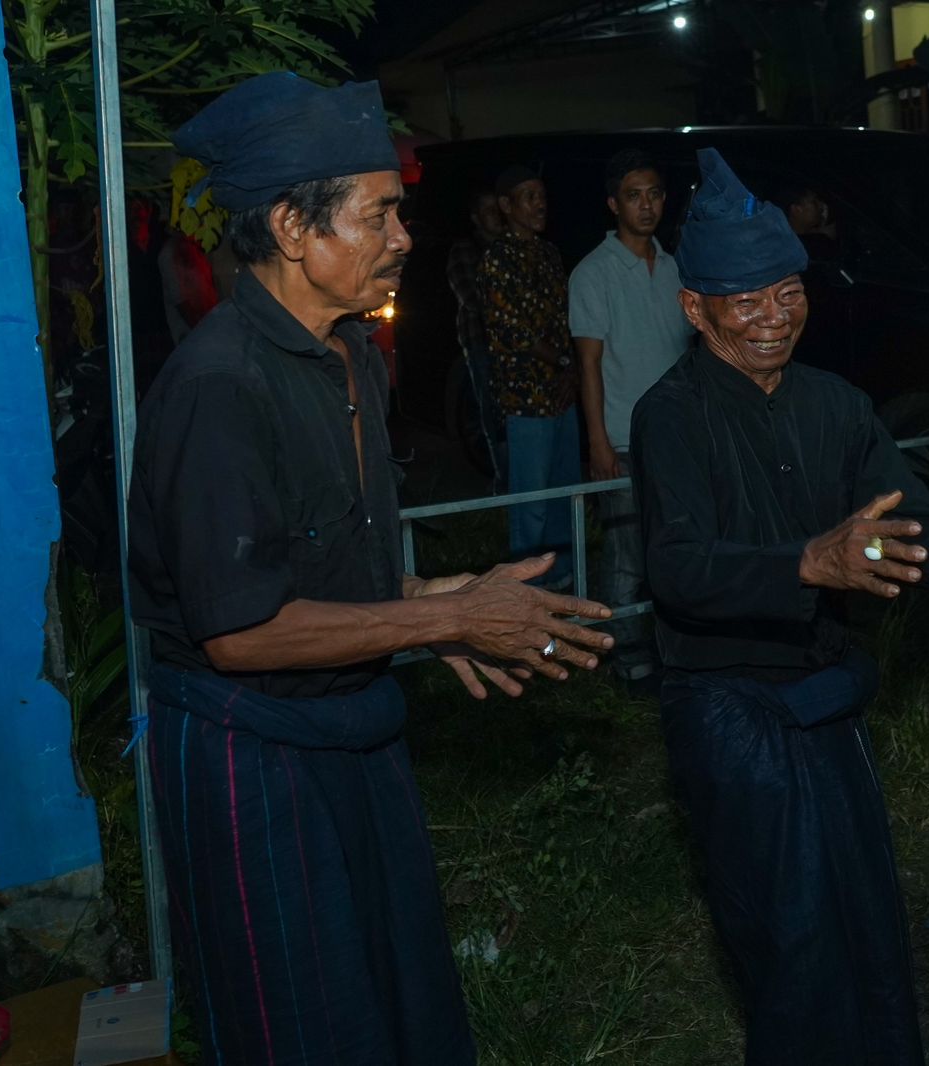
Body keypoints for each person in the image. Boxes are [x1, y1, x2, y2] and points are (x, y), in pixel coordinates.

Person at [130, 72, 615, 1064]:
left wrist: (428, 595)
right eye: (378, 214)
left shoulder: (350, 354)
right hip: (252, 754)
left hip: (355, 726)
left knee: (400, 997)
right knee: (300, 1023)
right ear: (292, 227)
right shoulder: (218, 388)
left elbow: (314, 564)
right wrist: (443, 622)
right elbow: (241, 630)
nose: (403, 237)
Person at [630, 148, 929, 1066]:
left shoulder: (838, 406)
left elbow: (906, 533)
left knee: (862, 924)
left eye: (788, 293)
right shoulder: (672, 415)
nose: (775, 317)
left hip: (826, 701)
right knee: (786, 936)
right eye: (746, 301)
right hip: (730, 709)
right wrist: (809, 563)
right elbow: (680, 567)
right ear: (696, 309)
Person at [569, 149, 692, 684]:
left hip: (678, 437)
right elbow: (588, 364)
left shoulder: (675, 267)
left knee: (675, 546)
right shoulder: (593, 273)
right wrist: (598, 442)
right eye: (634, 196)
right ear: (613, 204)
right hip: (623, 437)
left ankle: (670, 648)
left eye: (655, 194)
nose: (647, 206)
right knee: (625, 554)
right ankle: (626, 659)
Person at [479, 164, 577, 584]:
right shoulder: (497, 258)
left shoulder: (550, 254)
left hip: (561, 396)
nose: (540, 205)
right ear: (507, 205)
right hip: (525, 401)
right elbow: (511, 331)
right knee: (531, 506)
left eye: (542, 196)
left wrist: (570, 372)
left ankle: (565, 582)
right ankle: (526, 592)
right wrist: (563, 363)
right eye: (529, 197)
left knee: (564, 498)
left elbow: (565, 320)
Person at [448, 185, 507, 482]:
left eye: (497, 209)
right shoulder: (465, 250)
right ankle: (501, 479)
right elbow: (474, 300)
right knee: (491, 413)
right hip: (483, 343)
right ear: (476, 217)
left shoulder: (511, 247)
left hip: (516, 348)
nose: (495, 216)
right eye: (487, 211)